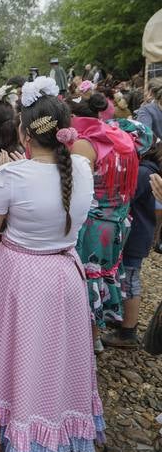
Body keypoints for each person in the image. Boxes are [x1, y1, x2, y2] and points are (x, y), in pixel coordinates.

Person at [0, 76, 103, 452]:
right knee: (57, 356)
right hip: (65, 275)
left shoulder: (10, 178)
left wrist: (7, 172)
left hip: (19, 275)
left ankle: (11, 429)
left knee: (13, 353)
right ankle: (55, 432)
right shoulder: (84, 169)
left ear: (23, 132)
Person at [70, 92, 140, 346]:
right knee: (102, 277)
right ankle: (98, 332)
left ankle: (92, 339)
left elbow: (77, 191)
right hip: (120, 222)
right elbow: (149, 139)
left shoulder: (86, 145)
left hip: (94, 226)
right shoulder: (124, 138)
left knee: (89, 280)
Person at [103, 132, 158, 348]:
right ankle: (122, 319)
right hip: (138, 234)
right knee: (126, 277)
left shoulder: (144, 173)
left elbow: (126, 195)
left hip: (136, 237)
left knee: (130, 280)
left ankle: (128, 331)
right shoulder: (148, 168)